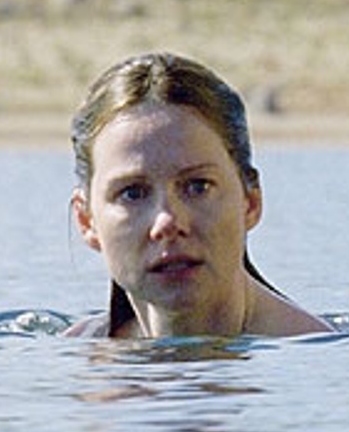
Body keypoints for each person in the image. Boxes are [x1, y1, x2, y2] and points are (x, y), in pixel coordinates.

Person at [66, 52, 332, 339]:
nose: (167, 222)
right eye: (133, 193)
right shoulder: (78, 349)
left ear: (250, 203)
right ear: (87, 221)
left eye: (197, 186)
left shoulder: (314, 355)